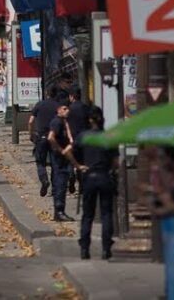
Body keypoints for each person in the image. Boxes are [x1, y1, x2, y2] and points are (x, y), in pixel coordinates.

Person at [75, 106, 117, 260]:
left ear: (89, 120)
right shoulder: (108, 137)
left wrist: (79, 166)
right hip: (105, 176)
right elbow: (116, 162)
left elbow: (68, 152)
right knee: (106, 214)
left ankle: (85, 248)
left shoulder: (83, 136)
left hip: (88, 177)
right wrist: (111, 170)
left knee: (87, 215)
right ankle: (106, 248)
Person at [47, 101, 76, 221]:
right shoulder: (57, 122)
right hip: (59, 158)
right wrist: (60, 149)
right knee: (60, 183)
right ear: (58, 110)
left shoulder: (64, 122)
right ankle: (59, 211)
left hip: (64, 158)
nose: (67, 111)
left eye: (67, 109)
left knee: (63, 183)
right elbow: (51, 137)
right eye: (64, 109)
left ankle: (60, 211)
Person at [28, 91, 60, 197]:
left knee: (40, 162)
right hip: (54, 137)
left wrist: (31, 134)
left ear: (47, 94)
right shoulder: (58, 106)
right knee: (55, 163)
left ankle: (44, 180)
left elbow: (30, 121)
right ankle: (54, 189)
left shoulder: (39, 104)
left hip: (41, 137)